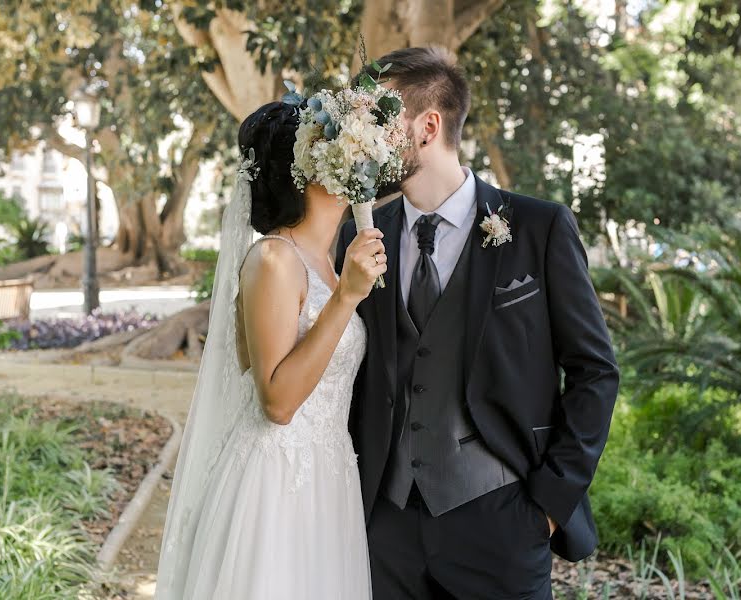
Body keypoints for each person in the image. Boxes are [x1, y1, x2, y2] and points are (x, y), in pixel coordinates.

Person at [336, 47, 620, 600]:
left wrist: (548, 505)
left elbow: (595, 371)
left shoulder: (539, 228)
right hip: (386, 526)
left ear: (428, 126)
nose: (360, 140)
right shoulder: (360, 237)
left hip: (504, 521)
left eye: (376, 121)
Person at [154, 101, 387, 599]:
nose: (359, 158)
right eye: (344, 147)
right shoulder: (275, 258)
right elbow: (277, 403)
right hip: (276, 483)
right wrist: (347, 298)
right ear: (307, 169)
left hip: (328, 474)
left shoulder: (324, 261)